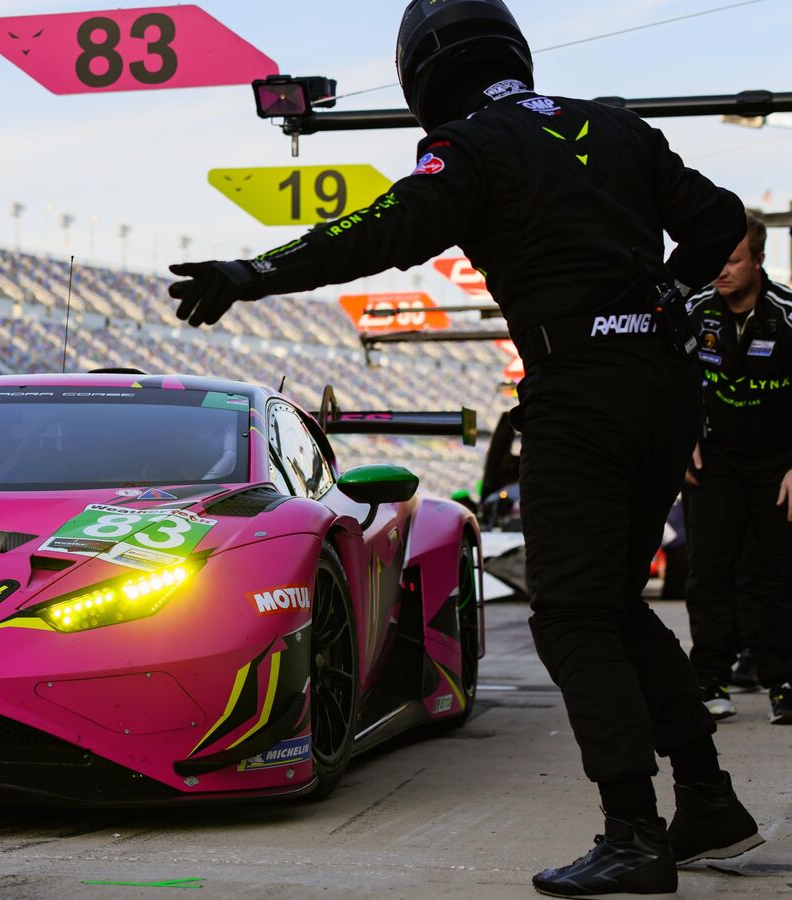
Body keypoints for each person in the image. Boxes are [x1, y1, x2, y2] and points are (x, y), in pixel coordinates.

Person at [168, 2, 763, 896]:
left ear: (423, 72)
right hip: (663, 386)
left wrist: (255, 273)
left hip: (580, 392)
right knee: (606, 602)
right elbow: (718, 221)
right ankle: (708, 800)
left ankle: (632, 834)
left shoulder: (471, 144)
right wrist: (669, 301)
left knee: (567, 614)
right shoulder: (613, 124)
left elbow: (384, 231)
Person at [682, 211, 792, 725]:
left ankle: (784, 681)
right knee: (708, 571)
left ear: (759, 261)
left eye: (733, 260)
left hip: (779, 464)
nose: (720, 271)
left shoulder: (789, 312)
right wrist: (682, 441)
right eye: (715, 260)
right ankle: (709, 678)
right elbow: (665, 381)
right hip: (716, 461)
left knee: (780, 573)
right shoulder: (692, 310)